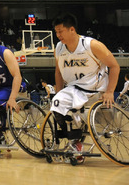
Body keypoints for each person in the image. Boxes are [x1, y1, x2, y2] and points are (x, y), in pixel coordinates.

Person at [49, 13, 120, 156]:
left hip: (95, 89)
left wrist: (110, 91)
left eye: (60, 31)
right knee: (56, 105)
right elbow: (58, 72)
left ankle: (77, 134)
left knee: (61, 104)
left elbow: (114, 66)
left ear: (72, 30)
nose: (58, 35)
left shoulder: (91, 45)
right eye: (56, 32)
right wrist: (58, 92)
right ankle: (76, 140)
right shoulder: (58, 48)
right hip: (74, 89)